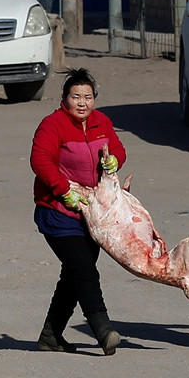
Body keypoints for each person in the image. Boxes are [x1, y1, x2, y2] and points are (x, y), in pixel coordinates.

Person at [30, 68, 127, 355]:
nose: (82, 103)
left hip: (92, 214)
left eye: (87, 97)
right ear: (65, 98)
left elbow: (118, 149)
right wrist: (63, 190)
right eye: (76, 96)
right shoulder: (53, 124)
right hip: (58, 212)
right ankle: (103, 329)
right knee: (84, 270)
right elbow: (40, 160)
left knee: (74, 274)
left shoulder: (102, 122)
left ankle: (50, 336)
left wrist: (114, 162)